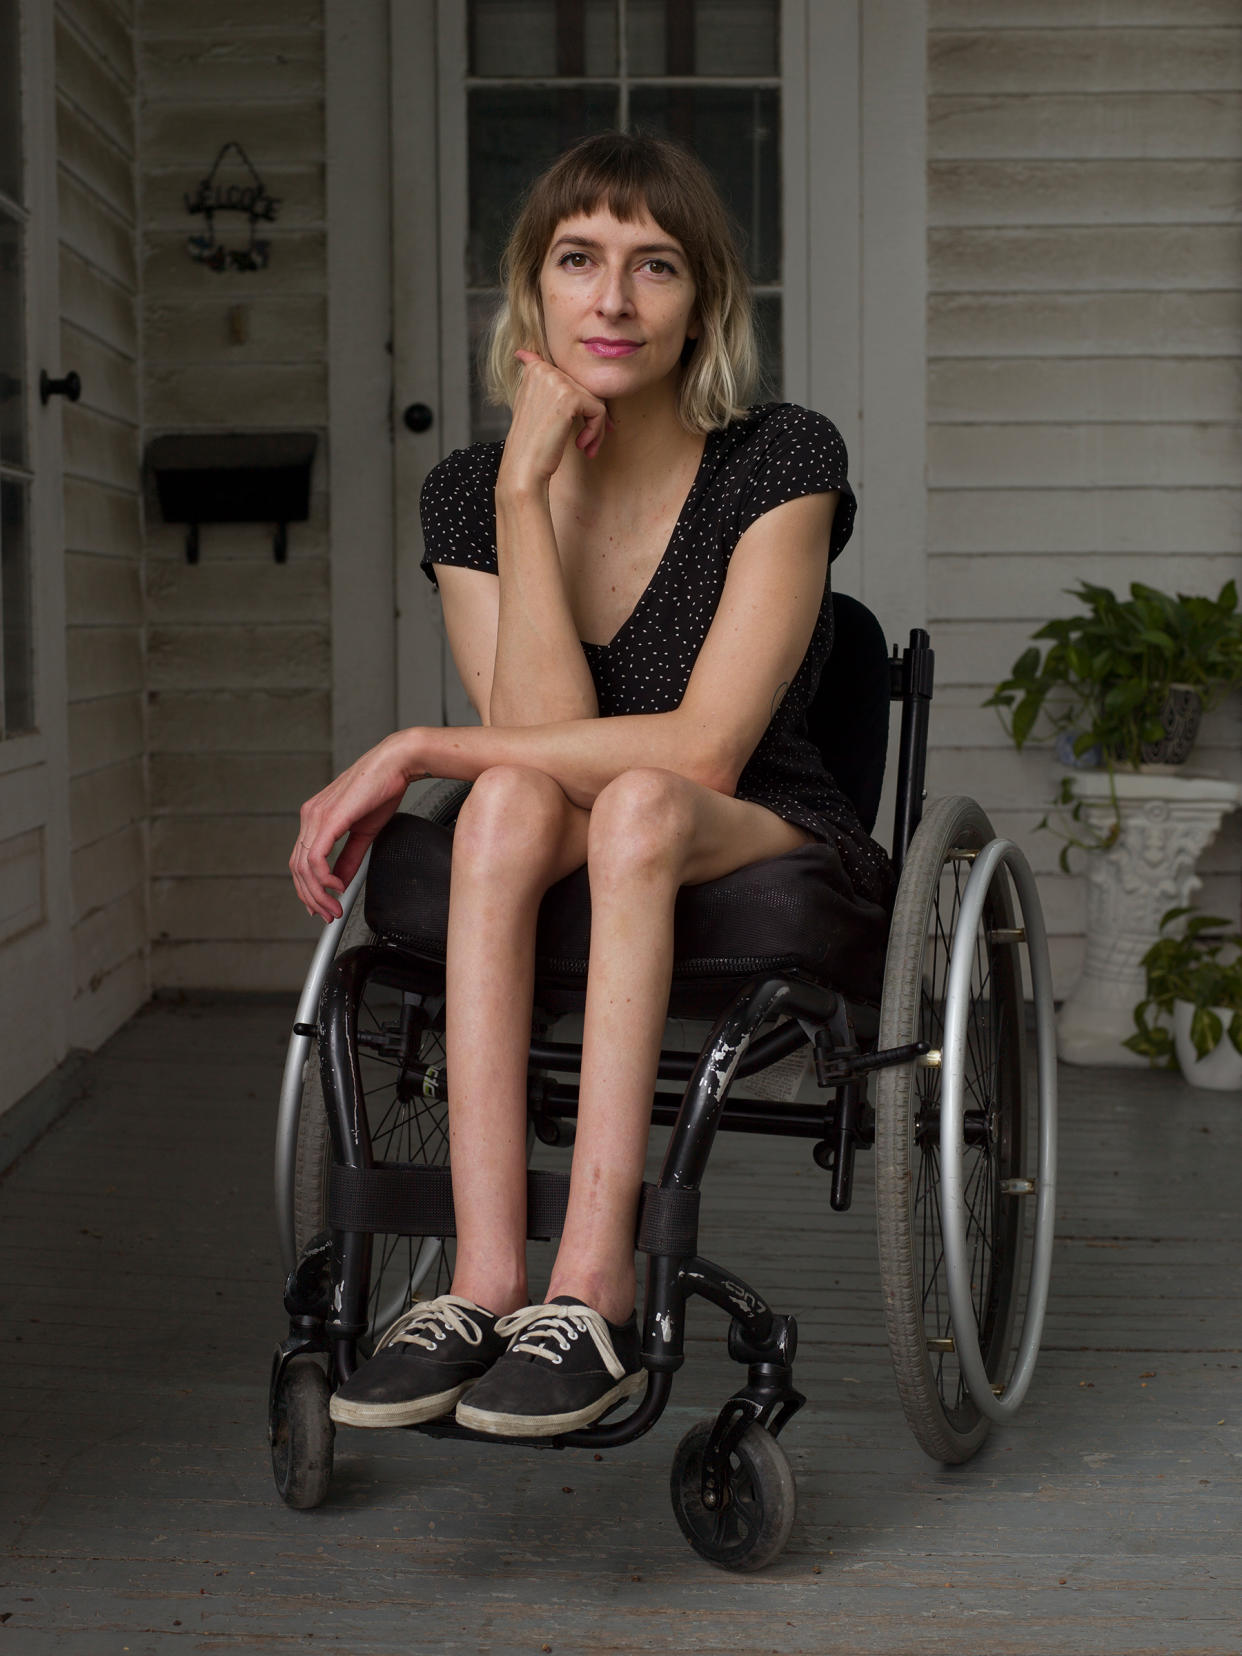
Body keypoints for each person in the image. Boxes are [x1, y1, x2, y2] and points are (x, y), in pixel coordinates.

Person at [289, 132, 894, 1440]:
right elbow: (537, 738)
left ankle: (594, 1288)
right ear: (534, 293)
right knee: (510, 802)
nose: (612, 301)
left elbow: (704, 751)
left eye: (653, 267)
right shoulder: (468, 493)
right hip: (571, 822)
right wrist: (523, 486)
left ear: (702, 306)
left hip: (754, 823)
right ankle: (487, 1280)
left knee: (621, 798)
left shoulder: (779, 459)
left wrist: (412, 746)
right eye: (579, 260)